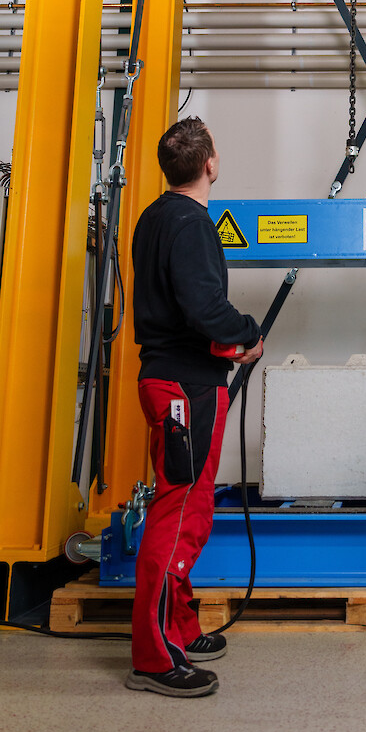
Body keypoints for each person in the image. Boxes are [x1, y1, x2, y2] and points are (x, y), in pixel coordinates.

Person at [125, 116, 262, 698]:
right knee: (180, 512)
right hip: (187, 387)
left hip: (167, 378)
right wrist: (249, 334)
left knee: (185, 505)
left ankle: (179, 628)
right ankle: (154, 659)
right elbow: (205, 310)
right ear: (210, 164)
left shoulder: (152, 218)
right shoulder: (193, 223)